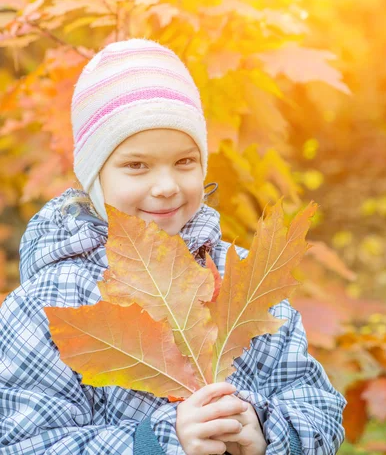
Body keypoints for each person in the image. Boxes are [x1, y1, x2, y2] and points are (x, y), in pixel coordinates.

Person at [0, 38, 346, 455]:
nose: (165, 187)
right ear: (93, 177)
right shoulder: (49, 305)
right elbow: (25, 444)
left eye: (184, 162)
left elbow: (318, 405)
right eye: (136, 165)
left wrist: (267, 430)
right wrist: (159, 441)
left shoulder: (242, 280)